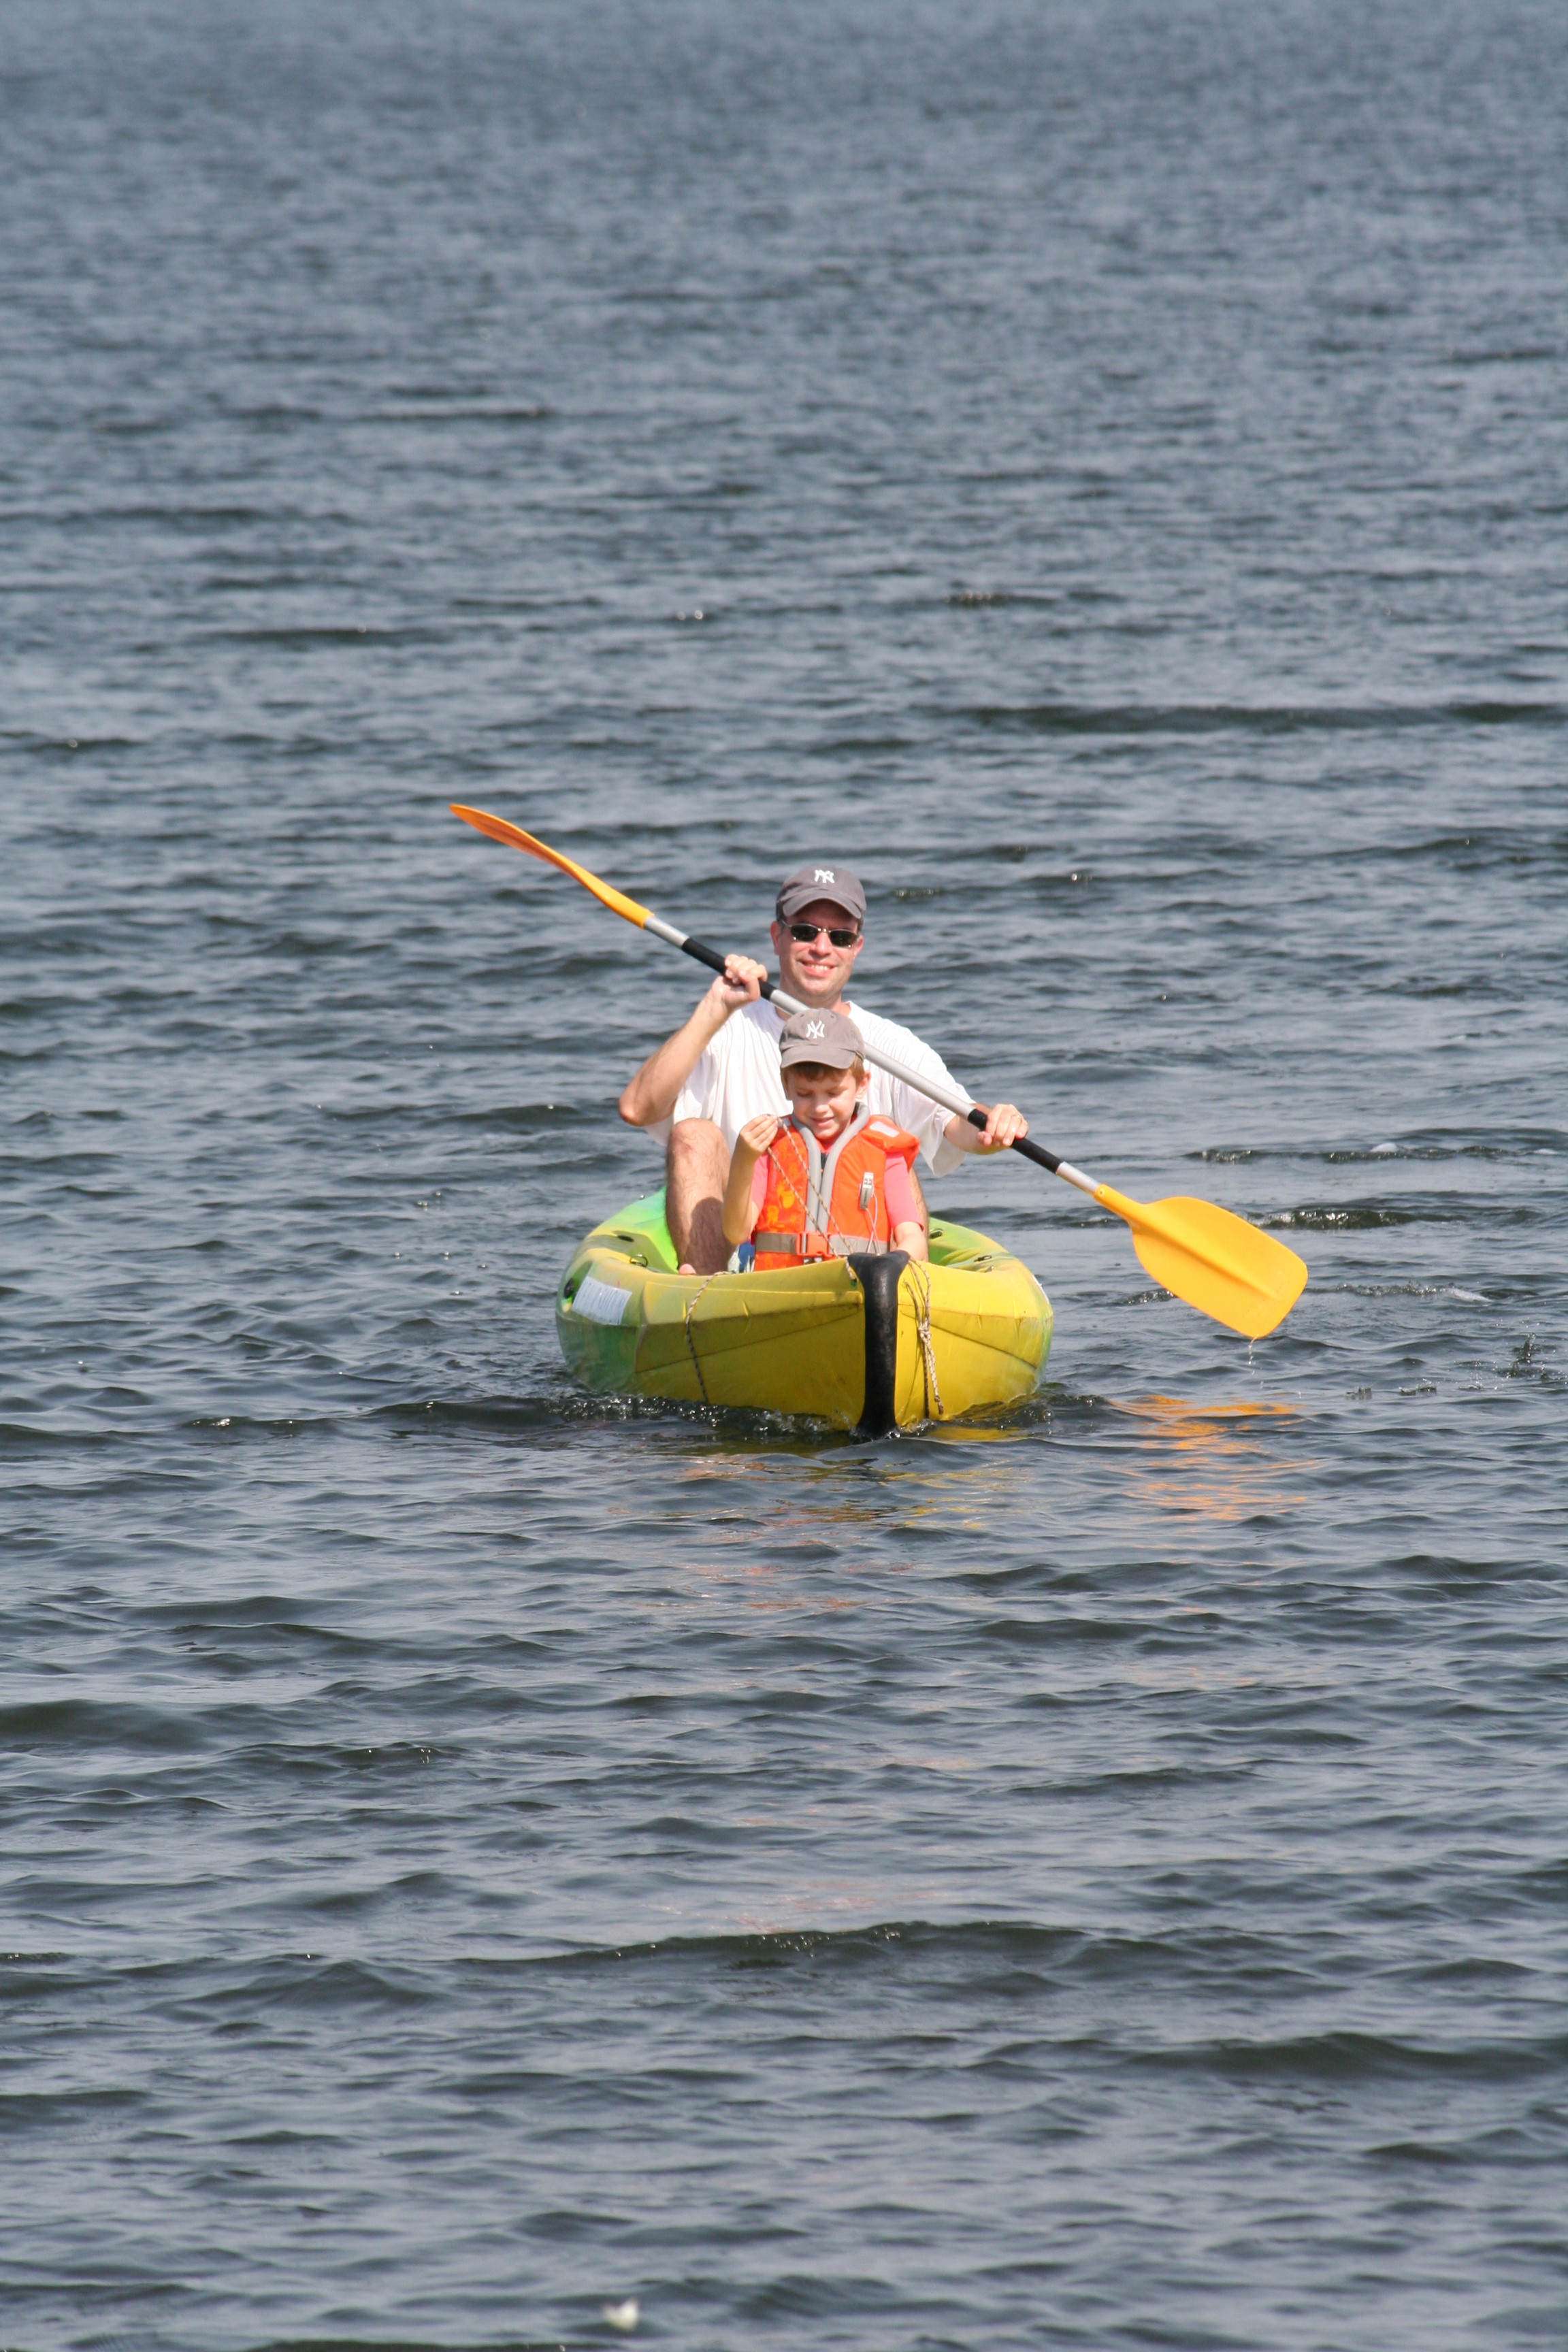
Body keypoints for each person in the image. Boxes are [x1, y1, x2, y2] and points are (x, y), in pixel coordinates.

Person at [618, 859, 1027, 1273]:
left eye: (840, 936)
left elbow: (957, 1123)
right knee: (692, 1135)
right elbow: (637, 1109)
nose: (821, 947)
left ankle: (898, 1290)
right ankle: (706, 1294)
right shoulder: (727, 1027)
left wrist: (994, 1127)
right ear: (777, 937)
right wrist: (714, 1006)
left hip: (863, 1272)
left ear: (857, 947)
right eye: (804, 931)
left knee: (886, 1139)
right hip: (744, 1262)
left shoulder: (890, 1045)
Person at [721, 1007, 929, 1269]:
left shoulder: (884, 1151)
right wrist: (743, 1159)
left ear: (862, 1084)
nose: (820, 1107)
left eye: (833, 1093)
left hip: (857, 1284)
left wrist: (891, 1267)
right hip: (780, 1286)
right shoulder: (770, 1147)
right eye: (805, 1094)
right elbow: (736, 1232)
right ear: (786, 1085)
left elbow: (912, 1237)